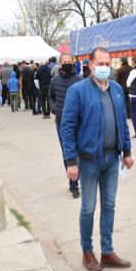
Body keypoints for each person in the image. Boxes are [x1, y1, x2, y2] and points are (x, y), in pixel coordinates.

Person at [60, 46, 135, 271]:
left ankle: (108, 251)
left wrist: (128, 152)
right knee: (88, 208)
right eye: (100, 64)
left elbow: (122, 123)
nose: (104, 68)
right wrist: (71, 162)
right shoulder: (78, 91)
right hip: (89, 160)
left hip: (112, 158)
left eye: (107, 63)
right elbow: (67, 128)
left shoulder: (117, 91)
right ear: (90, 65)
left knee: (109, 205)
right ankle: (88, 252)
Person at [49, 52, 83, 199]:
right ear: (60, 64)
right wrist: (54, 108)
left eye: (70, 61)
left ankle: (78, 176)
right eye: (65, 61)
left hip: (78, 122)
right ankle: (73, 183)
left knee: (79, 151)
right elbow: (50, 96)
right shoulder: (55, 80)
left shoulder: (79, 80)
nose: (68, 63)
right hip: (62, 122)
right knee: (67, 152)